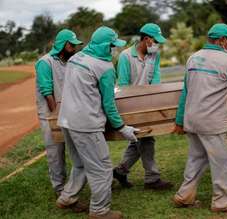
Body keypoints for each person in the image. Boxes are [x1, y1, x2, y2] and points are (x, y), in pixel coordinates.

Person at [56, 26, 139, 219]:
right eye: (112, 46)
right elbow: (109, 104)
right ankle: (100, 211)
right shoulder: (105, 68)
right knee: (101, 169)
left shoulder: (76, 58)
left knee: (80, 164)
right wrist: (122, 127)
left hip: (66, 120)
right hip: (86, 124)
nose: (113, 50)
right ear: (103, 45)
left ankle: (67, 198)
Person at [172, 23, 227, 213]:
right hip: (214, 123)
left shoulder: (193, 58)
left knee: (196, 159)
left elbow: (185, 92)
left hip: (193, 120)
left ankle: (184, 197)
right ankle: (222, 204)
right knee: (226, 162)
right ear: (222, 40)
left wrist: (179, 120)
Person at [113, 23, 173, 190]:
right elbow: (123, 85)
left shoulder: (155, 56)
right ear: (146, 39)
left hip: (148, 103)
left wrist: (155, 99)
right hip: (131, 105)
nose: (157, 44)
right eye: (156, 41)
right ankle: (152, 178)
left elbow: (156, 79)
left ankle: (121, 171)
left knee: (138, 140)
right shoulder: (125, 57)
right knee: (147, 139)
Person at [35, 29, 82, 197]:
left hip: (69, 112)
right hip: (50, 114)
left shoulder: (69, 61)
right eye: (72, 45)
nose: (75, 48)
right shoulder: (45, 62)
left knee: (80, 147)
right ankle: (60, 188)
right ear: (64, 44)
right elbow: (47, 91)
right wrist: (56, 117)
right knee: (56, 152)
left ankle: (90, 181)